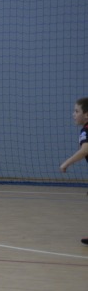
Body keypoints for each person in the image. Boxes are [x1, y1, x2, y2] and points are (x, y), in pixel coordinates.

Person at [59, 97, 88, 245]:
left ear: (86, 114)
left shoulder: (86, 130)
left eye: (77, 111)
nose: (73, 114)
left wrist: (66, 163)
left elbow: (85, 150)